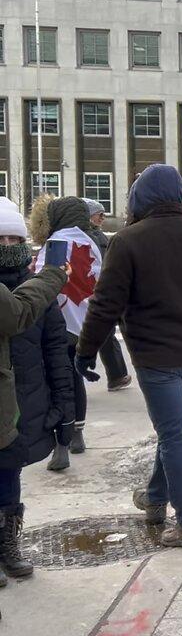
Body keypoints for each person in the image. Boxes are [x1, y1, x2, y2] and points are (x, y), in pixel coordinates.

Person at [76, 164, 182, 549]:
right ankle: (155, 498)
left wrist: (86, 350)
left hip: (154, 357)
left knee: (173, 434)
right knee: (173, 430)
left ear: (141, 198)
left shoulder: (128, 241)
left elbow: (105, 305)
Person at [0, 196, 75, 579]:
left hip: (19, 408)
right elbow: (15, 314)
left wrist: (64, 410)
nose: (7, 247)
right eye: (0, 240)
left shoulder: (37, 291)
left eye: (13, 239)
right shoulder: (32, 291)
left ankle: (7, 543)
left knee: (9, 478)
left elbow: (55, 352)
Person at [29, 196, 103, 459]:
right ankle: (78, 434)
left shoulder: (56, 243)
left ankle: (60, 442)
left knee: (56, 382)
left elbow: (39, 279)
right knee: (75, 378)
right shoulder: (90, 243)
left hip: (56, 322)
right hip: (84, 321)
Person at [82, 199, 132, 394]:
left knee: (102, 332)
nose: (103, 218)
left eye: (104, 214)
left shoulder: (96, 236)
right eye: (99, 214)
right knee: (105, 333)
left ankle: (116, 375)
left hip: (97, 289)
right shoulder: (93, 237)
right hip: (96, 290)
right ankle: (116, 375)